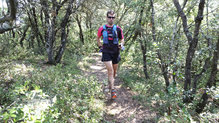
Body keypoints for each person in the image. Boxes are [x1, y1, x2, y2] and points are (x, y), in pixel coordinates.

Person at [97, 10, 124, 99]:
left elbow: (122, 39)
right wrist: (100, 46)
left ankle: (110, 85)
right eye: (109, 17)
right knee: (110, 71)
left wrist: (121, 44)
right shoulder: (102, 28)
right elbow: (98, 38)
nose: (111, 19)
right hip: (106, 52)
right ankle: (112, 90)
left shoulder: (118, 29)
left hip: (115, 52)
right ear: (106, 17)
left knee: (114, 72)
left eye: (113, 17)